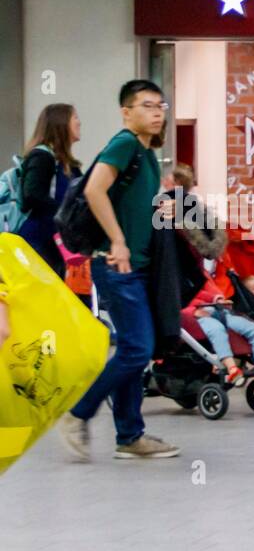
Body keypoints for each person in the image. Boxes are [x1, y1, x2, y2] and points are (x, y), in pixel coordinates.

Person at [56, 79, 180, 461]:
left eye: (161, 105)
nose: (157, 112)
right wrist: (118, 241)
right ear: (127, 112)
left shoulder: (145, 154)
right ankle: (78, 414)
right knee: (137, 347)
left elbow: (131, 204)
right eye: (147, 105)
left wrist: (162, 211)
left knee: (134, 348)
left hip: (139, 266)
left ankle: (129, 436)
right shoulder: (125, 143)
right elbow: (94, 189)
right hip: (115, 263)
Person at [17, 103, 82, 280]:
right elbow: (32, 195)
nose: (79, 122)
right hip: (38, 241)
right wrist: (65, 211)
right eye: (74, 117)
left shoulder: (71, 166)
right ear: (60, 123)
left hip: (59, 244)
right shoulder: (42, 157)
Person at [187, 273, 254, 386]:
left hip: (213, 308)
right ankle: (232, 368)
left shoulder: (196, 274)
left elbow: (199, 293)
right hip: (192, 316)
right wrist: (193, 310)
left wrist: (217, 299)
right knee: (217, 330)